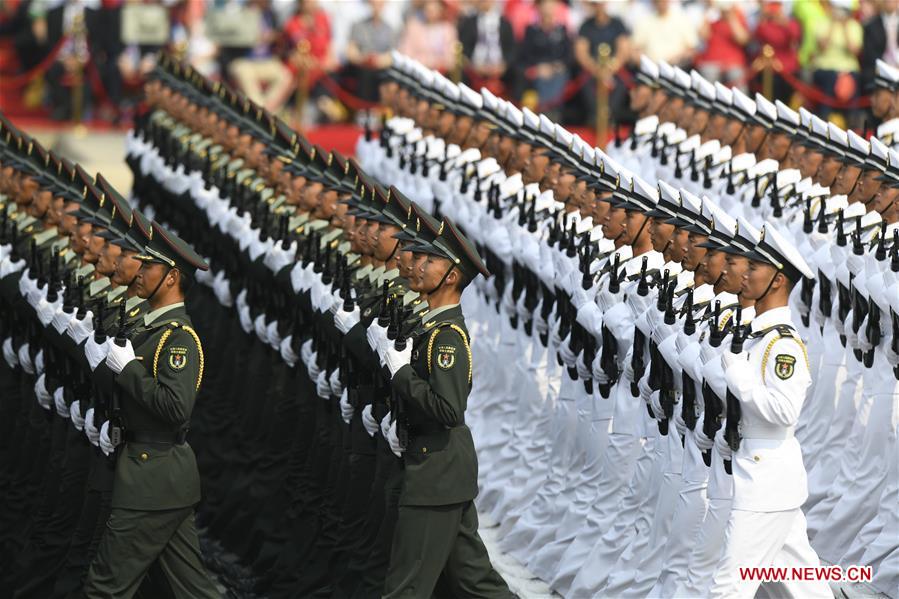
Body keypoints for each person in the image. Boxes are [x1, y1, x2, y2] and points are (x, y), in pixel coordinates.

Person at [82, 221, 220, 598]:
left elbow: (176, 408)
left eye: (149, 266)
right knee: (192, 589)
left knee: (104, 588)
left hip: (151, 478)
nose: (139, 273)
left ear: (171, 277)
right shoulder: (149, 329)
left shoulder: (178, 339)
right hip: (157, 477)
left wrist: (128, 369)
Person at [379, 217, 511, 598]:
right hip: (440, 472)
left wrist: (401, 374)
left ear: (451, 277)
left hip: (436, 474)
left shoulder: (447, 337)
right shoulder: (432, 328)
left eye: (430, 261)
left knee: (406, 588)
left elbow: (449, 409)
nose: (418, 265)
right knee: (474, 581)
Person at [709, 223, 831, 599]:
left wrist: (738, 375)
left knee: (727, 586)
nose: (744, 274)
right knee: (804, 586)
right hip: (763, 477)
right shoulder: (757, 335)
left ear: (777, 280)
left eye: (754, 268)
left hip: (764, 481)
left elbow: (785, 410)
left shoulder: (783, 345)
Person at [574, 0, 631, 126]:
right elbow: (581, 52)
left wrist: (611, 68)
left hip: (614, 70)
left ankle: (610, 116)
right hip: (592, 70)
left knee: (620, 84)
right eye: (595, 4)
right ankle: (595, 116)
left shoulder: (617, 24)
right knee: (585, 84)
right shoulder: (586, 26)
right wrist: (596, 69)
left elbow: (624, 50)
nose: (598, 7)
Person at [809, 0, 863, 120]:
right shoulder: (822, 22)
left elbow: (854, 51)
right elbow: (822, 47)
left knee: (852, 82)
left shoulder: (854, 26)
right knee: (830, 80)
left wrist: (845, 28)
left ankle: (852, 122)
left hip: (848, 69)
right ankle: (824, 118)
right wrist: (833, 26)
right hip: (825, 68)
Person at [521, 0, 571, 121]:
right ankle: (546, 111)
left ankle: (550, 109)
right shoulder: (531, 30)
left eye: (551, 5)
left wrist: (556, 66)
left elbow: (568, 54)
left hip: (557, 69)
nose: (548, 9)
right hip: (538, 69)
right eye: (545, 5)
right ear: (538, 8)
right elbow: (526, 54)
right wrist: (539, 67)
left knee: (559, 76)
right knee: (541, 78)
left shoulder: (562, 30)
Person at [457, 0, 516, 96]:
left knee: (518, 74)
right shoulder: (469, 22)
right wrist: (474, 66)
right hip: (475, 68)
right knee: (460, 74)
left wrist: (503, 66)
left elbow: (512, 48)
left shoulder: (505, 22)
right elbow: (464, 47)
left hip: (500, 68)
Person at [345, 0, 397, 103]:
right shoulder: (358, 26)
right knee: (366, 74)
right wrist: (363, 59)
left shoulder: (389, 29)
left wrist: (378, 61)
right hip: (361, 68)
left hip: (381, 68)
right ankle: (364, 108)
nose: (377, 6)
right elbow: (351, 51)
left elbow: (392, 55)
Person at [754, 0, 802, 103]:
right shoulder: (765, 24)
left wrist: (784, 23)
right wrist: (764, 16)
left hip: (788, 69)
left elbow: (794, 38)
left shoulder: (791, 23)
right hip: (770, 69)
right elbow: (760, 35)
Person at [696, 1, 749, 90]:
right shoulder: (712, 20)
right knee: (709, 74)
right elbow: (703, 35)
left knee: (735, 75)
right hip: (711, 61)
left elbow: (743, 40)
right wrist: (708, 11)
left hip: (733, 63)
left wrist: (731, 18)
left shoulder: (739, 20)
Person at [631, 0, 698, 67]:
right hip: (651, 68)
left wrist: (678, 58)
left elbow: (691, 48)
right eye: (658, 1)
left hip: (678, 67)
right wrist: (645, 64)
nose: (661, 3)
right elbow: (635, 50)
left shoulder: (682, 19)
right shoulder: (644, 21)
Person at [397, 0, 457, 72]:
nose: (431, 10)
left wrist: (434, 63)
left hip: (439, 73)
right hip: (416, 71)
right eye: (428, 7)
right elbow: (406, 53)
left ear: (441, 9)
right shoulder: (414, 26)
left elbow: (450, 60)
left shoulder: (448, 30)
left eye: (435, 8)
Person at [861, 0, 899, 99]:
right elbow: (870, 56)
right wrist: (887, 69)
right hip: (878, 71)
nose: (890, 2)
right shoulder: (871, 25)